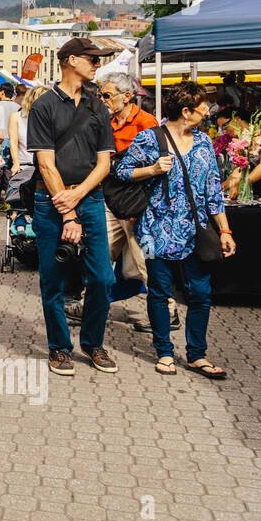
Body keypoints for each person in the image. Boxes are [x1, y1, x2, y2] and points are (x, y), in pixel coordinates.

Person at [115, 81, 235, 378]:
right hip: (157, 229)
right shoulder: (150, 139)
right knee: (159, 292)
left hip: (196, 230)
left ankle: (196, 354)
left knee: (201, 292)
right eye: (202, 106)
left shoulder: (205, 143)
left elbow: (212, 193)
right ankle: (165, 352)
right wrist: (153, 169)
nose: (207, 110)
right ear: (185, 111)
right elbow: (122, 172)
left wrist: (225, 231)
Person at [27, 37, 118, 377]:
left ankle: (92, 343)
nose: (97, 64)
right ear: (69, 61)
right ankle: (59, 348)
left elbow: (104, 163)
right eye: (91, 58)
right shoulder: (44, 105)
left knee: (103, 279)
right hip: (51, 202)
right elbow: (46, 164)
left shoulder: (98, 106)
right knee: (53, 280)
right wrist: (67, 212)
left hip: (89, 198)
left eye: (99, 59)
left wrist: (77, 196)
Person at [98, 73, 170, 332]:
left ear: (126, 96)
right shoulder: (106, 121)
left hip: (137, 201)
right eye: (101, 95)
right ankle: (93, 304)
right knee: (100, 251)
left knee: (144, 258)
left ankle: (167, 311)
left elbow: (159, 163)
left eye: (107, 95)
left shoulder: (146, 122)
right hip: (111, 197)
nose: (102, 100)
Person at [7, 85, 47, 214]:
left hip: (45, 166)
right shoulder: (17, 117)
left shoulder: (50, 118)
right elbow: (13, 142)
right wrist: (16, 162)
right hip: (25, 165)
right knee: (20, 204)